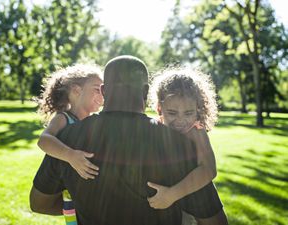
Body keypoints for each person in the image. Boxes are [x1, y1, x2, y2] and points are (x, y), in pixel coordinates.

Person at [30, 55, 228, 225]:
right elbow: (215, 221)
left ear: (105, 91)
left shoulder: (66, 140)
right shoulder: (178, 144)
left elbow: (39, 203)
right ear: (145, 92)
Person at [147, 68, 219, 224]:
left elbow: (209, 169)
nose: (180, 120)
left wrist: (171, 195)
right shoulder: (155, 127)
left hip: (196, 197)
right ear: (160, 108)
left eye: (188, 113)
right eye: (172, 113)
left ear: (198, 109)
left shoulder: (196, 131)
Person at [35, 64, 103, 224]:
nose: (102, 94)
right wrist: (70, 155)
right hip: (67, 189)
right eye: (97, 89)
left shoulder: (92, 122)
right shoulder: (64, 118)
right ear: (76, 90)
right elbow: (44, 140)